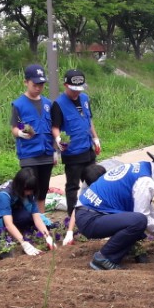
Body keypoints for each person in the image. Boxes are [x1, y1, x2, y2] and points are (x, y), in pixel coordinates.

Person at [74, 153, 154, 271]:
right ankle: (104, 258)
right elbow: (143, 216)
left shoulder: (142, 169)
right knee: (139, 221)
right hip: (91, 218)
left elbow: (147, 208)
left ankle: (122, 251)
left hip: (87, 213)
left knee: (136, 221)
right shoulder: (146, 181)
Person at [51, 69, 101, 216]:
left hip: (88, 149)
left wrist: (95, 138)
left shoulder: (85, 98)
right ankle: (72, 215)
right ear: (65, 85)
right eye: (73, 90)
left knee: (95, 181)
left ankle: (94, 211)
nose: (76, 93)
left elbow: (89, 120)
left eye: (78, 90)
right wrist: (58, 139)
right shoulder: (58, 104)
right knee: (72, 186)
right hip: (72, 153)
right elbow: (55, 127)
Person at [12, 64, 55, 214]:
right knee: (29, 187)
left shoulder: (48, 104)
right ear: (26, 82)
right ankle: (28, 218)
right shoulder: (19, 105)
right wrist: (20, 133)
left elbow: (52, 128)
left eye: (41, 85)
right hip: (29, 154)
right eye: (35, 84)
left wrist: (55, 151)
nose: (38, 88)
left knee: (43, 189)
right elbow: (15, 127)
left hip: (47, 153)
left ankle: (41, 218)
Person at [0, 167, 54, 256]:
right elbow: (8, 224)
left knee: (43, 223)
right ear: (19, 185)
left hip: (15, 213)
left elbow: (36, 217)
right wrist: (24, 243)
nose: (29, 193)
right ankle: (12, 236)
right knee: (23, 216)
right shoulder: (4, 195)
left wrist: (47, 237)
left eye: (31, 190)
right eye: (27, 190)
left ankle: (20, 233)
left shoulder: (29, 193)